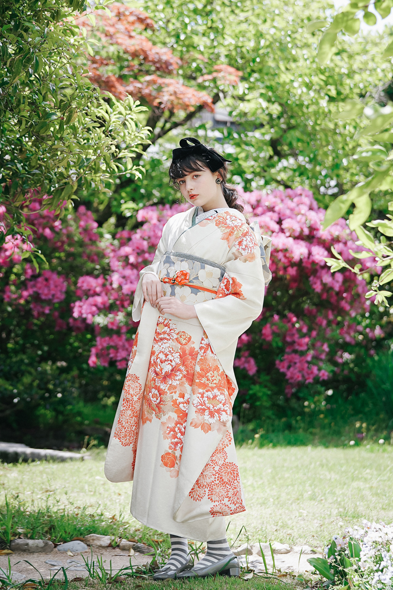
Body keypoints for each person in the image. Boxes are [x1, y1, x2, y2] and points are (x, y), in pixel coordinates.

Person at [104, 137, 272, 579]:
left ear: (218, 175)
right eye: (182, 181)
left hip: (202, 347)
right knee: (162, 442)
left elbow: (249, 299)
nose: (189, 187)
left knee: (199, 441)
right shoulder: (176, 224)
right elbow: (157, 266)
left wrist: (194, 310)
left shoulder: (239, 230)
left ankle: (217, 548)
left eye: (197, 176)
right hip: (162, 348)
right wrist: (149, 279)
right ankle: (179, 549)